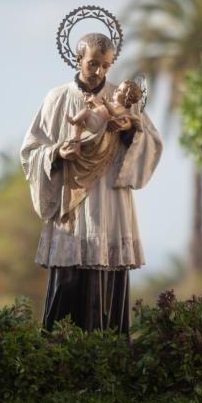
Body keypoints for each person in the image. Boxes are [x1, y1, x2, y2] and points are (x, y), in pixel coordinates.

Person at [20, 30, 162, 333]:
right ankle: (60, 361)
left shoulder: (122, 97)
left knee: (108, 286)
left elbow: (151, 142)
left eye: (106, 65)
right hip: (72, 202)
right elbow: (30, 151)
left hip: (110, 200)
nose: (99, 71)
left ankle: (110, 361)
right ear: (78, 59)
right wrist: (58, 151)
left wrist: (129, 130)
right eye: (93, 64)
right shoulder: (57, 98)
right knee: (68, 282)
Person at [60, 79, 143, 225]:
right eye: (117, 89)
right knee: (80, 121)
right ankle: (76, 141)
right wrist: (96, 101)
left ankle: (76, 134)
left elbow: (116, 116)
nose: (116, 91)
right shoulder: (59, 95)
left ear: (127, 98)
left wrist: (127, 126)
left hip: (106, 163)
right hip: (93, 129)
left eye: (120, 91)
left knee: (84, 116)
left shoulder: (122, 110)